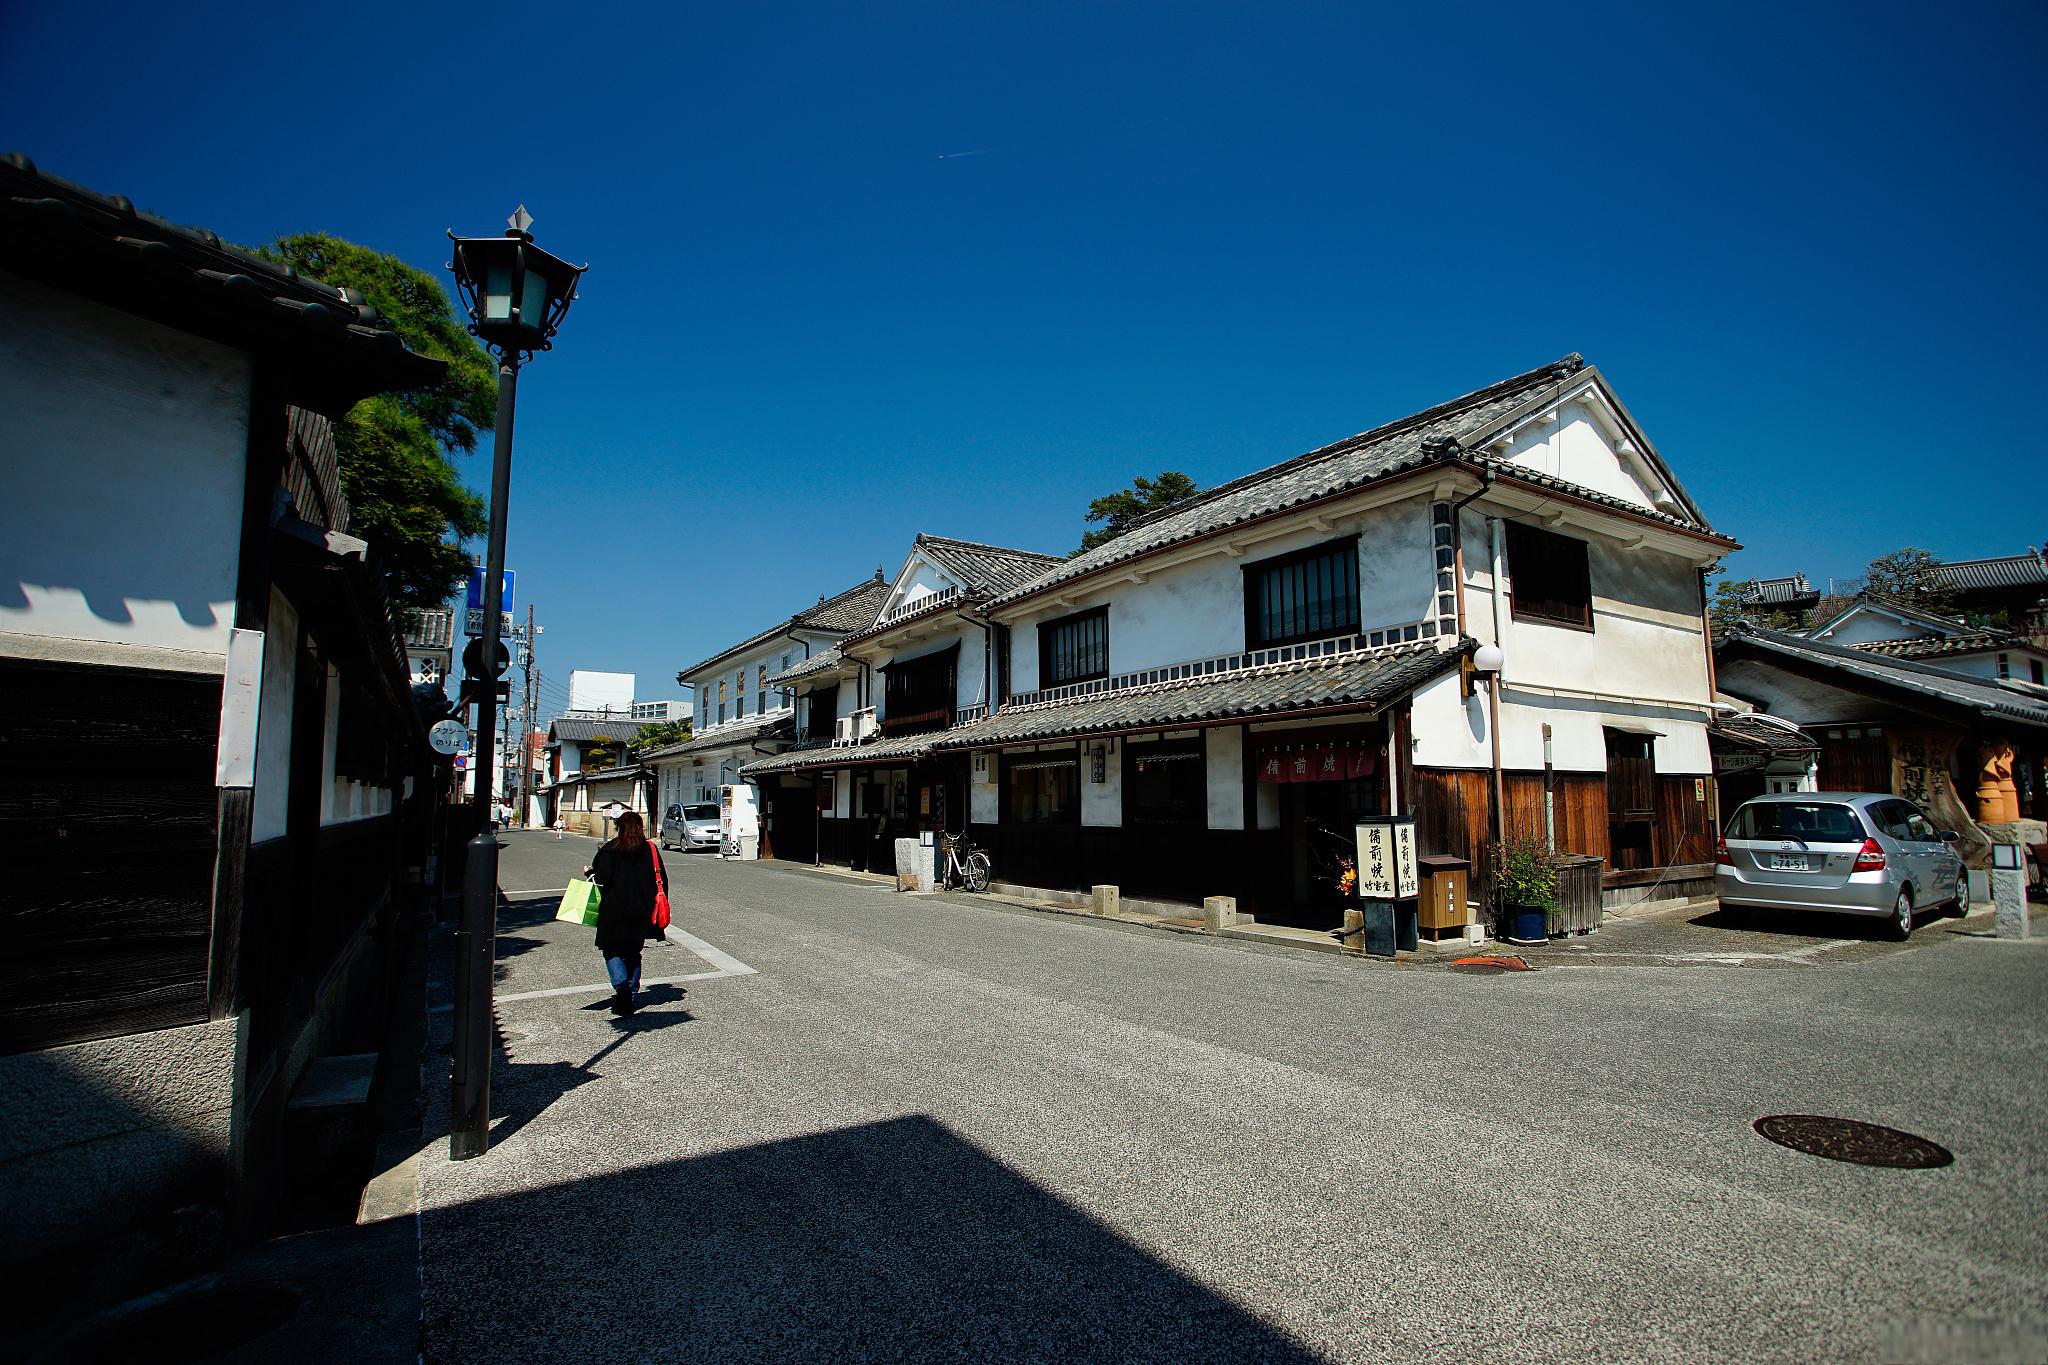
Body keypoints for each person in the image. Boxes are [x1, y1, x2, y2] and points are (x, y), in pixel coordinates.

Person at [583, 810, 669, 1015]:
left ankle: (621, 988)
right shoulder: (650, 849)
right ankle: (630, 993)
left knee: (611, 949)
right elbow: (662, 880)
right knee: (633, 952)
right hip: (641, 910)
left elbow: (602, 877)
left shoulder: (612, 848)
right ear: (640, 827)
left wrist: (589, 872)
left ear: (619, 827)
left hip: (614, 910)